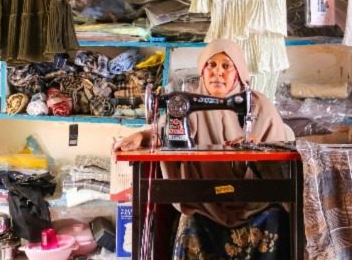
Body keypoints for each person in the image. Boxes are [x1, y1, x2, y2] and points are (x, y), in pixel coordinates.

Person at [113, 38, 290, 259]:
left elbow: (282, 150)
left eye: (227, 66)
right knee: (191, 221)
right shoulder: (187, 104)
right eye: (211, 65)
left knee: (276, 216)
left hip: (254, 201)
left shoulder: (259, 105)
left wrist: (258, 146)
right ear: (202, 70)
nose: (218, 72)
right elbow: (161, 131)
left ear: (239, 72)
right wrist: (140, 136)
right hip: (202, 202)